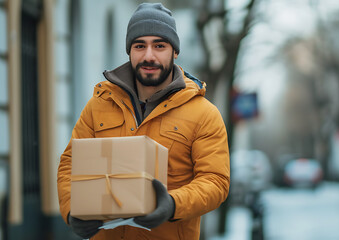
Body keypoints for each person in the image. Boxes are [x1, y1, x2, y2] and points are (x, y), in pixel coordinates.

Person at [57, 3, 230, 240]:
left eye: (159, 45)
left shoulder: (204, 114)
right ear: (129, 51)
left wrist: (172, 204)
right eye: (140, 46)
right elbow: (70, 164)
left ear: (175, 51)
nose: (149, 56)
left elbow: (215, 181)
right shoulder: (99, 104)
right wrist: (72, 210)